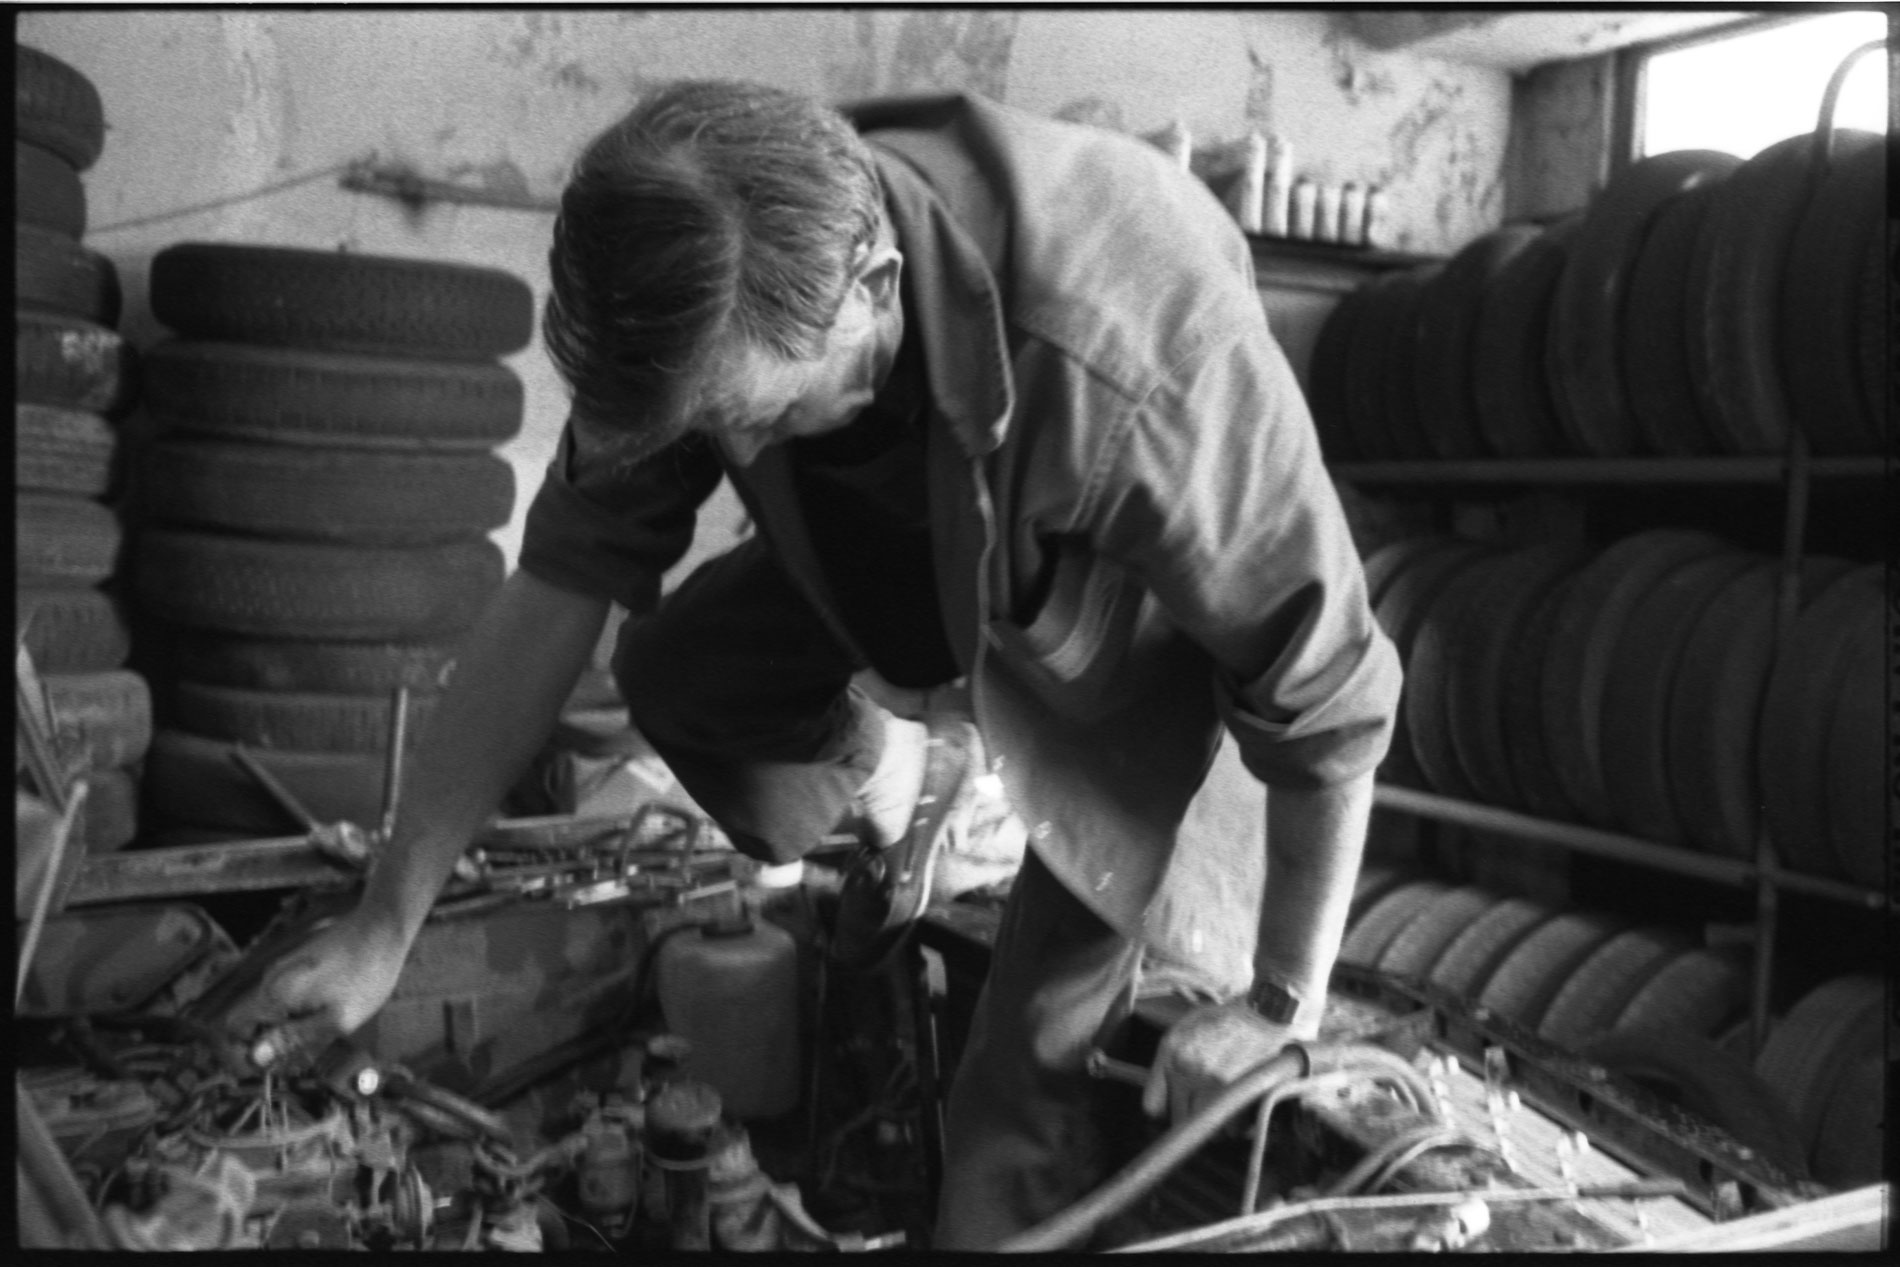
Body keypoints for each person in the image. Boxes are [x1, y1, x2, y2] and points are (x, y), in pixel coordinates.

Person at [225, 81, 1401, 1249]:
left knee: (1019, 1081)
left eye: (751, 417)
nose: (721, 450)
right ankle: (911, 777)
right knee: (682, 675)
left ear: (874, 287)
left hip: (1117, 640)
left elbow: (1332, 696)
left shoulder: (1132, 349)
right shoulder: (697, 264)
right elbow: (551, 596)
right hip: (897, 553)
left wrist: (1278, 1006)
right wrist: (389, 920)